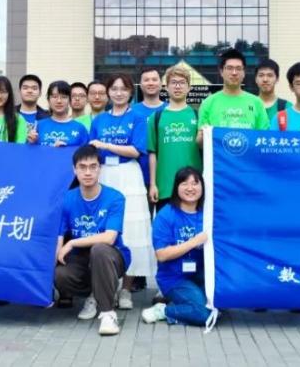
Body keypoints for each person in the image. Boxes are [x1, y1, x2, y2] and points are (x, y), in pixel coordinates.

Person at [90, 73, 155, 310]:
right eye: (114, 89)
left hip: (128, 174)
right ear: (108, 92)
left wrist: (106, 145)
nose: (118, 93)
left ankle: (126, 289)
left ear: (130, 92)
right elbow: (91, 150)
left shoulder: (137, 118)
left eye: (123, 89)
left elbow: (137, 150)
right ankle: (100, 289)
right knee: (102, 226)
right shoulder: (99, 119)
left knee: (131, 229)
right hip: (104, 173)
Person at [55, 145, 131, 336]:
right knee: (59, 275)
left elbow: (110, 237)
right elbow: (59, 236)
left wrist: (72, 243)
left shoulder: (115, 197)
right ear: (74, 170)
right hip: (82, 258)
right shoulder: (67, 198)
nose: (87, 172)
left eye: (93, 166)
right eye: (82, 167)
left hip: (111, 256)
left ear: (100, 168)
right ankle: (95, 293)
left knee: (99, 249)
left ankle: (107, 313)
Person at [141, 167, 211, 326]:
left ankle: (184, 305)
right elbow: (162, 255)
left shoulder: (208, 214)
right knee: (203, 313)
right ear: (176, 187)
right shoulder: (166, 215)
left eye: (195, 183)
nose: (190, 188)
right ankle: (163, 311)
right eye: (184, 183)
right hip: (174, 278)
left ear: (202, 187)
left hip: (201, 275)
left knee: (219, 303)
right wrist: (193, 242)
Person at [148, 65, 201, 212]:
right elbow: (152, 153)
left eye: (182, 83)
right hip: (165, 187)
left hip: (193, 187)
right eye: (174, 82)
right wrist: (153, 184)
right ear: (166, 87)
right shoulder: (156, 118)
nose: (178, 86)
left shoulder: (198, 116)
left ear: (189, 88)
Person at [196, 49, 268, 144]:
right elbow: (200, 142)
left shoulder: (256, 102)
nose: (234, 73)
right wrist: (202, 137)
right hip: (219, 154)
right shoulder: (208, 103)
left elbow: (264, 139)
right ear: (221, 71)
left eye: (238, 68)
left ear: (244, 72)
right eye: (229, 68)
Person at [33, 80, 90, 147]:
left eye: (64, 97)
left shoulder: (80, 128)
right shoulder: (39, 126)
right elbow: (30, 151)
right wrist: (31, 142)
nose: (59, 101)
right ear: (48, 100)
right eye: (54, 97)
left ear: (70, 100)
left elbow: (87, 152)